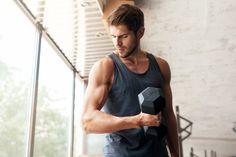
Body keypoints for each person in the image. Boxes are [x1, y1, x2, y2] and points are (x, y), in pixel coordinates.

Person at [81, 4, 179, 157]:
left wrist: (176, 154)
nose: (117, 43)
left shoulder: (161, 66)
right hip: (120, 153)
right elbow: (87, 121)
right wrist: (136, 120)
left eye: (123, 36)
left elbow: (168, 114)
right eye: (114, 36)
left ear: (140, 32)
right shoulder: (105, 67)